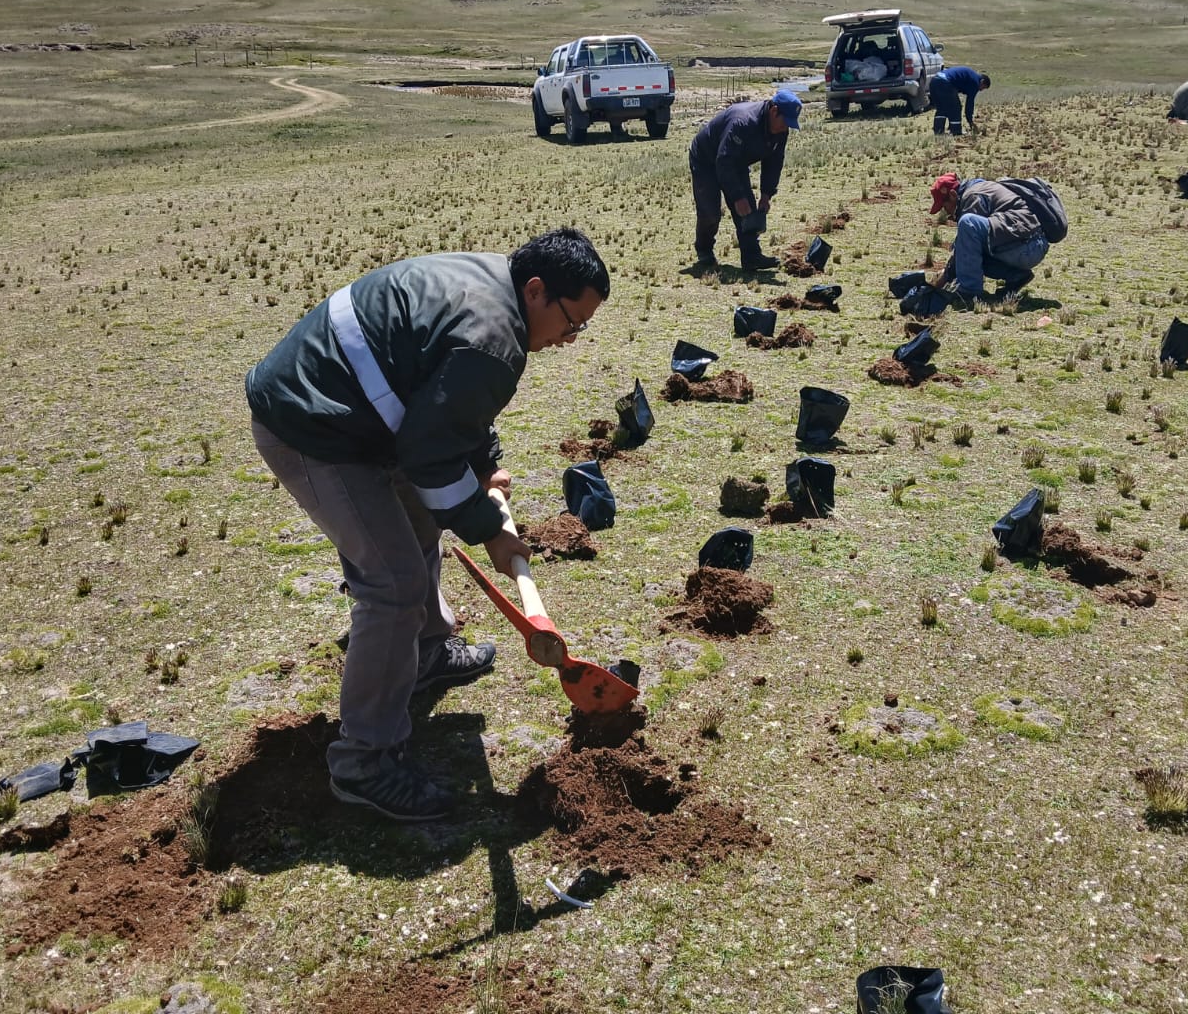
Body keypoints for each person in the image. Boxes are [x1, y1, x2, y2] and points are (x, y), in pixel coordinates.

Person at [245, 228, 610, 820]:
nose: (570, 339)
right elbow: (432, 456)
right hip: (312, 424)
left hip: (353, 410)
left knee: (421, 523)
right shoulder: (494, 338)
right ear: (538, 290)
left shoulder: (498, 282)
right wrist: (491, 529)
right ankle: (364, 761)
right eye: (572, 324)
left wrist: (487, 466)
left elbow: (451, 405)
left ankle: (426, 650)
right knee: (392, 584)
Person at [689, 88, 801, 271]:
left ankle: (751, 257)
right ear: (774, 111)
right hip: (706, 159)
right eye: (785, 121)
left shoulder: (781, 131)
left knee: (748, 211)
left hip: (736, 160)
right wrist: (737, 196)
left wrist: (766, 194)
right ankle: (704, 250)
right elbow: (723, 162)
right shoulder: (743, 122)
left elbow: (774, 162)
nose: (786, 127)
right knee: (710, 213)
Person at [928, 173, 1052, 302]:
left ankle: (969, 292)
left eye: (944, 205)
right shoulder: (979, 189)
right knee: (973, 251)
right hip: (1032, 246)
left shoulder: (973, 196)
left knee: (967, 223)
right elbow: (967, 253)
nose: (946, 211)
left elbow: (963, 248)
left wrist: (943, 278)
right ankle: (1016, 276)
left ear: (953, 195)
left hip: (1026, 246)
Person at [929, 66, 991, 135]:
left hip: (934, 81)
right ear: (982, 81)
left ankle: (939, 132)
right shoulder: (975, 82)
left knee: (942, 108)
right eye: (983, 87)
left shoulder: (971, 76)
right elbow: (969, 104)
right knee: (956, 108)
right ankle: (956, 131)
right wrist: (970, 122)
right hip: (945, 82)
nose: (981, 90)